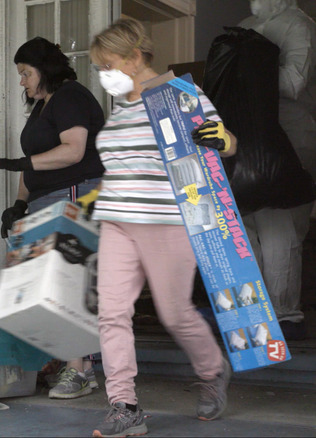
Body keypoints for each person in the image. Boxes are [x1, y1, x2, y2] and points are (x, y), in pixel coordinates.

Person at [87, 18, 237, 437]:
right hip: (117, 221)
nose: (104, 76)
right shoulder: (122, 106)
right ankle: (124, 406)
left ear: (135, 58)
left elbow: (226, 142)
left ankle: (212, 370)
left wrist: (221, 140)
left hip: (167, 220)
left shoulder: (181, 95)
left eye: (109, 65)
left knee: (174, 313)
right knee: (112, 312)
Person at [0, 37, 106, 399]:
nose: (21, 81)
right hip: (43, 200)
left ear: (44, 69)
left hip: (74, 194)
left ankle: (80, 369)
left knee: (67, 281)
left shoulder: (70, 97)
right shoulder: (42, 107)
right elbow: (34, 159)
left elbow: (73, 151)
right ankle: (77, 365)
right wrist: (19, 204)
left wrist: (26, 165)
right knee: (45, 286)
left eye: (25, 73)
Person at [238, 0, 316, 340]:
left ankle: (283, 315)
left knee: (280, 227)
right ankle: (255, 313)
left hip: (289, 136)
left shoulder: (299, 25)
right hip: (246, 137)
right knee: (247, 224)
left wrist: (249, 68)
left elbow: (295, 82)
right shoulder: (246, 24)